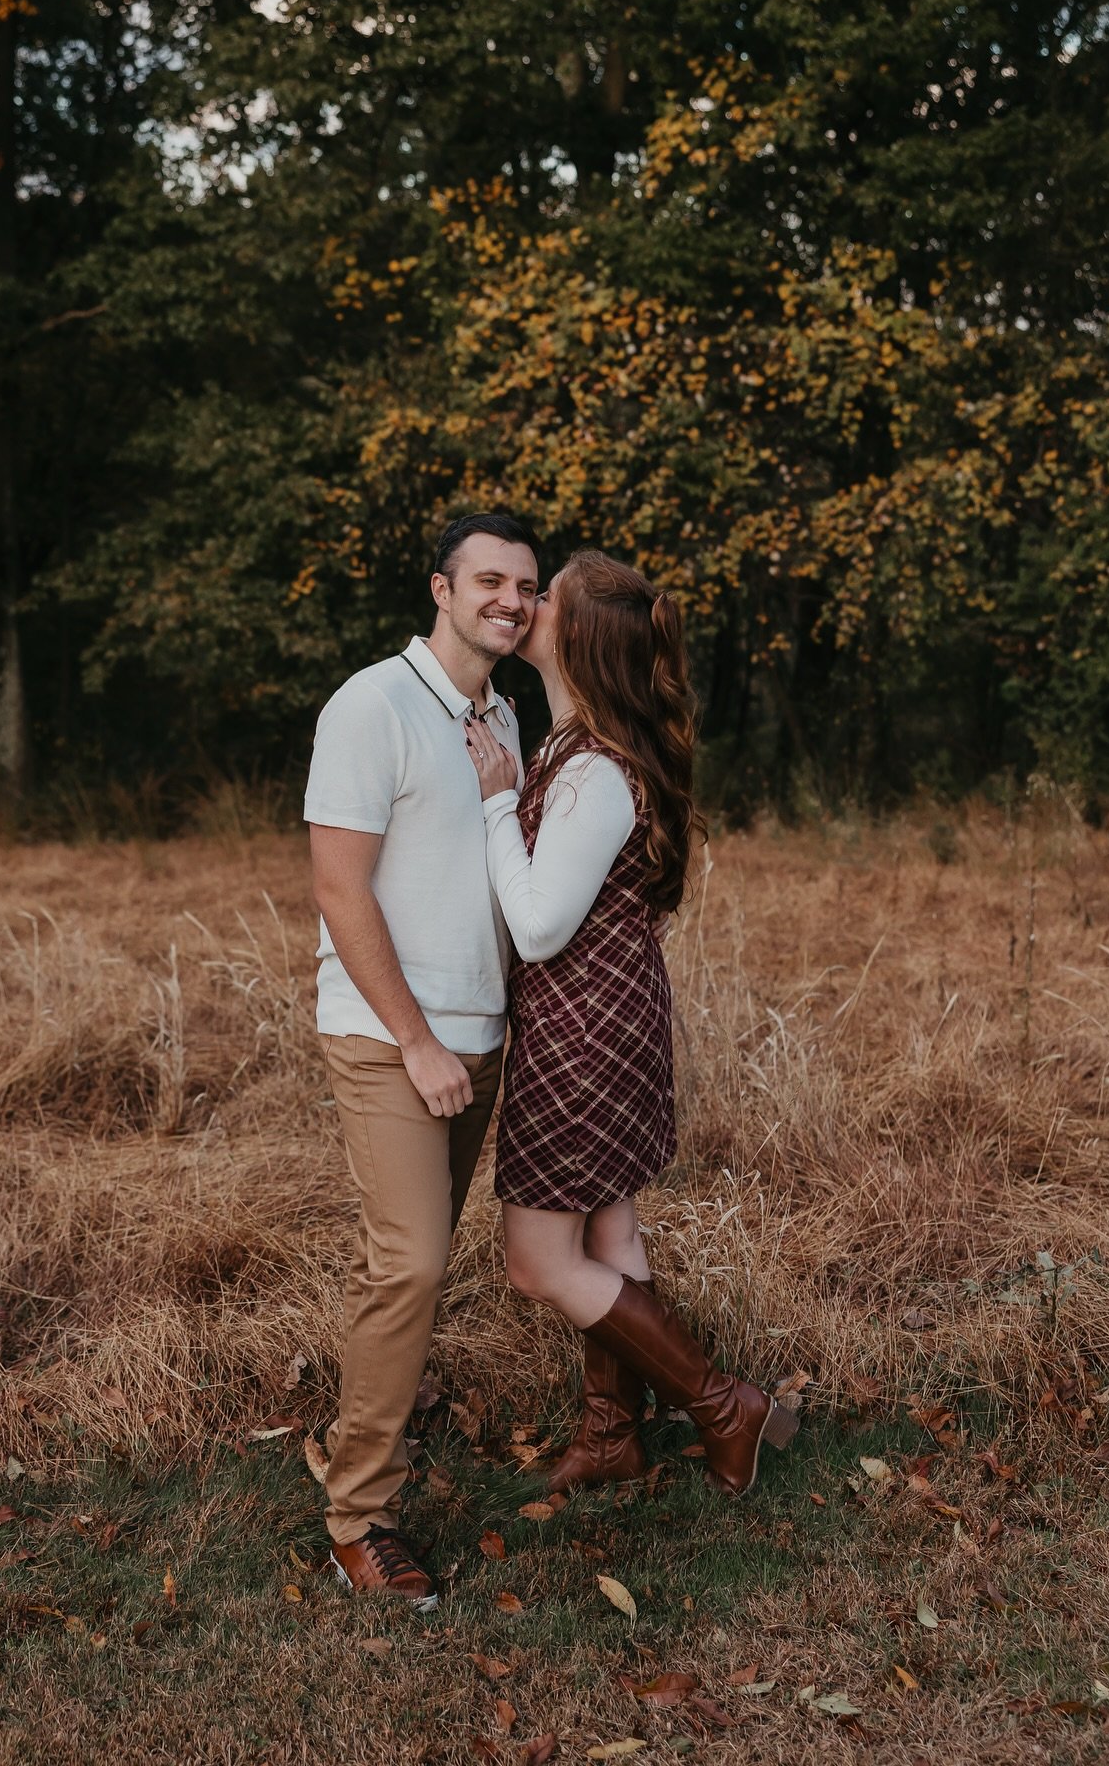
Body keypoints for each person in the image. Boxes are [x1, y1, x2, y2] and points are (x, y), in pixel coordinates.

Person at [463, 551, 798, 1500]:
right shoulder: (574, 749)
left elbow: (538, 923)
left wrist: (494, 802)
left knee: (536, 1263)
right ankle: (613, 1435)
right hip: (600, 1022)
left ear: (572, 637)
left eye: (543, 599)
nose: (523, 607)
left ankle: (723, 1404)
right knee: (609, 1236)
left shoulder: (593, 774)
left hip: (583, 1041)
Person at [304, 511, 539, 1611]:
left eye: (525, 586)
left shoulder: (506, 714)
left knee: (407, 1265)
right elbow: (340, 888)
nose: (511, 598)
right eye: (488, 579)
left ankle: (353, 1426)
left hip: (482, 1039)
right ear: (439, 590)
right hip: (391, 1038)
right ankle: (360, 1518)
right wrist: (416, 1041)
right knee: (411, 1266)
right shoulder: (373, 704)